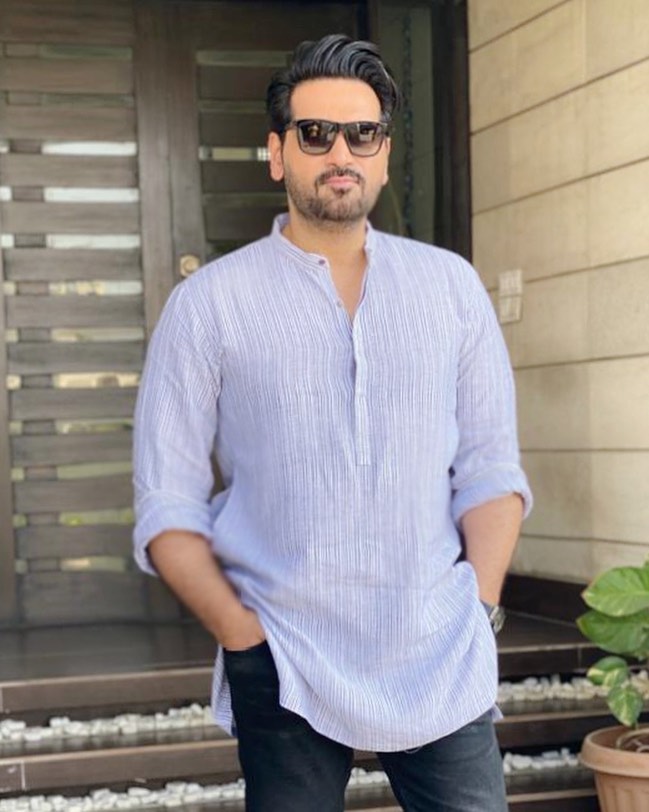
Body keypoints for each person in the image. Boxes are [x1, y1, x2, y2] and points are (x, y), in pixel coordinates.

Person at [133, 34, 532, 812]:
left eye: (362, 134)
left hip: (435, 644)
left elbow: (489, 469)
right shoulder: (209, 305)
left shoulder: (449, 288)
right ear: (276, 153)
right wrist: (240, 635)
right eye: (314, 133)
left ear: (383, 155)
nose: (339, 153)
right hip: (283, 650)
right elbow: (166, 505)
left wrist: (477, 609)